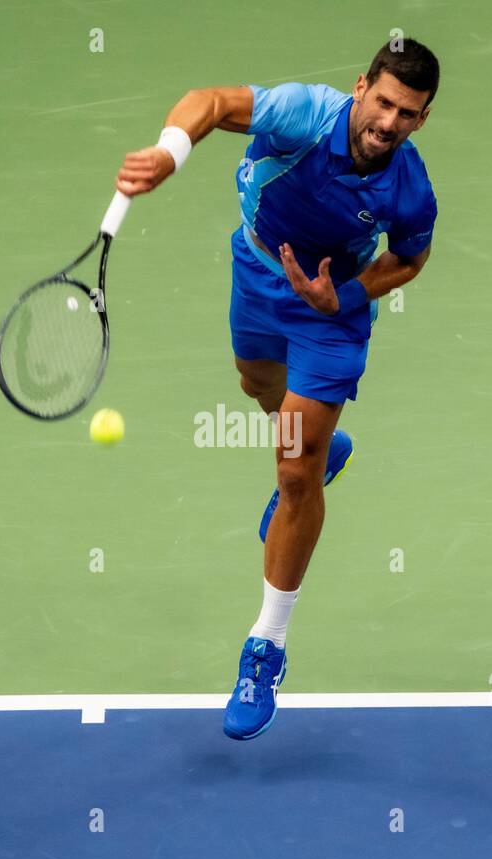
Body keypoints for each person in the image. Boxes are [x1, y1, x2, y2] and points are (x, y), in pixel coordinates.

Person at [114, 39, 439, 740]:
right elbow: (212, 102)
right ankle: (324, 452)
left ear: (422, 119)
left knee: (293, 472)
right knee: (256, 382)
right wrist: (172, 152)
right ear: (361, 87)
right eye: (382, 101)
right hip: (258, 270)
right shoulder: (304, 116)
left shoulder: (408, 187)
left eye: (406, 113)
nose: (388, 122)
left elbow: (411, 256)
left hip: (330, 312)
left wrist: (347, 292)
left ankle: (266, 644)